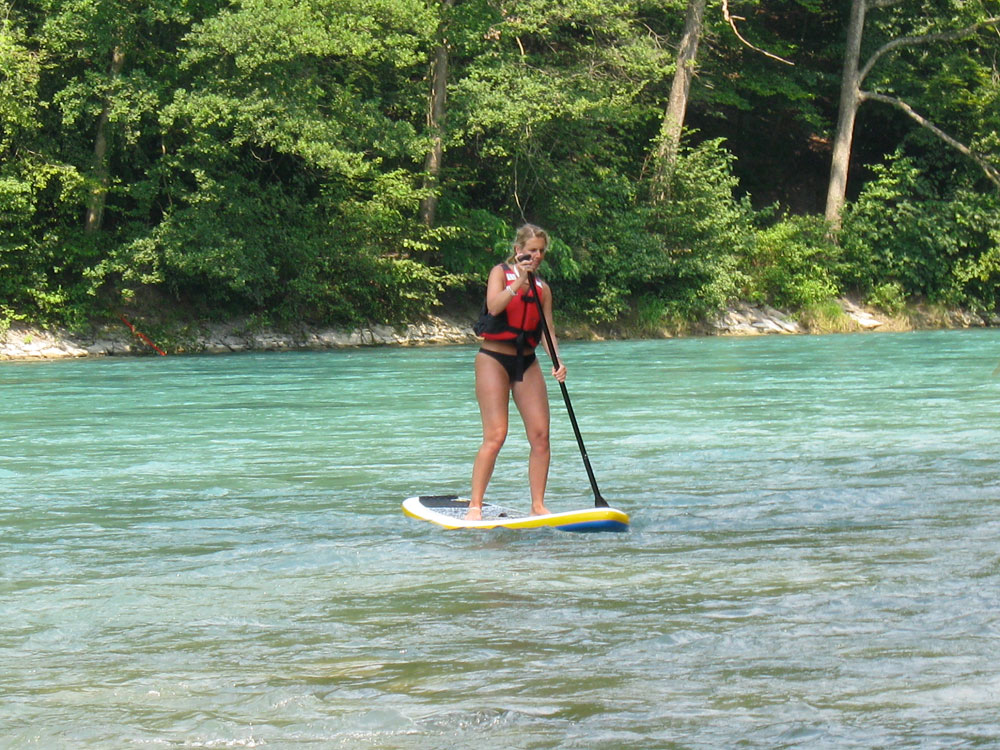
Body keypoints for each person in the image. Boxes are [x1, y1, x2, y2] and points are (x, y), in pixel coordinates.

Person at [467, 223, 567, 521]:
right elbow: (494, 307)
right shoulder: (500, 273)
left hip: (527, 361)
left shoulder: (543, 289)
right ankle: (475, 505)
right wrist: (520, 280)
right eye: (531, 250)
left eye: (541, 251)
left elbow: (547, 330)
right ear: (518, 250)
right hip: (493, 359)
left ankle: (538, 505)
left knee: (541, 435)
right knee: (496, 435)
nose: (537, 256)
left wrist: (557, 361)